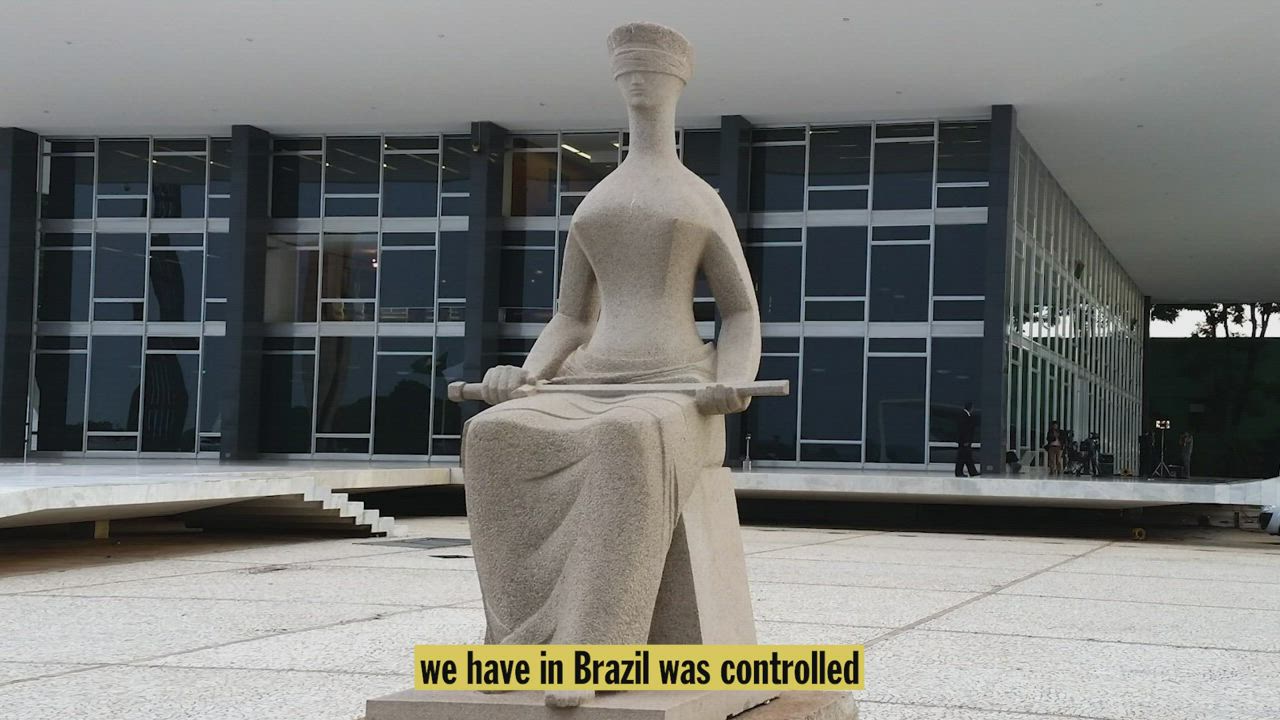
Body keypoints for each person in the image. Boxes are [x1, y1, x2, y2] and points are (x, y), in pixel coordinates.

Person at [461, 23, 761, 708]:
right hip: (589, 378)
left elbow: (741, 312)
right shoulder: (595, 202)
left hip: (679, 385)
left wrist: (733, 380)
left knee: (628, 436)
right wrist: (526, 376)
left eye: (651, 74)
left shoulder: (700, 199)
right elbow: (570, 318)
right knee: (492, 434)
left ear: (676, 85)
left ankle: (593, 651)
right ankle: (516, 647)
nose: (639, 85)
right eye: (629, 75)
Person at [955, 402, 979, 477]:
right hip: (964, 441)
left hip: (966, 441)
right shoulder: (964, 416)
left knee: (968, 457)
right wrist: (965, 440)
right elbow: (964, 430)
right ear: (970, 408)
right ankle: (959, 473)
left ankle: (972, 471)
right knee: (961, 457)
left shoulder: (966, 415)